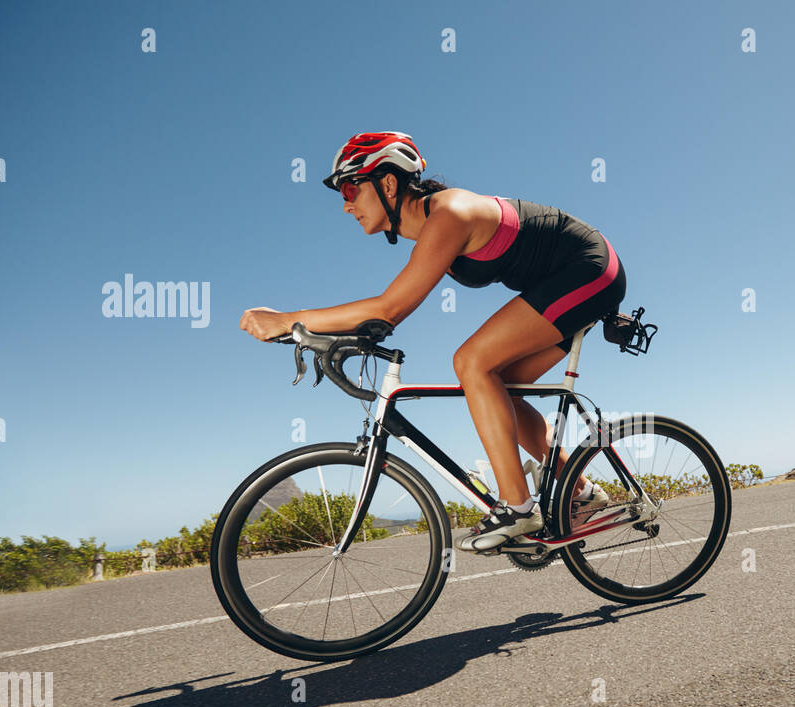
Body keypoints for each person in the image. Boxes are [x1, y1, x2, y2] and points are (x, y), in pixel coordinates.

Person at [239, 131, 624, 551]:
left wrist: (288, 319)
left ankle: (518, 507)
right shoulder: (430, 230)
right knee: (502, 389)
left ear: (388, 184)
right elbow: (385, 312)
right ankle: (581, 492)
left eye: (351, 188)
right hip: (561, 284)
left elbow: (389, 308)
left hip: (590, 271)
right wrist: (318, 333)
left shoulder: (451, 214)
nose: (346, 204)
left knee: (472, 362)